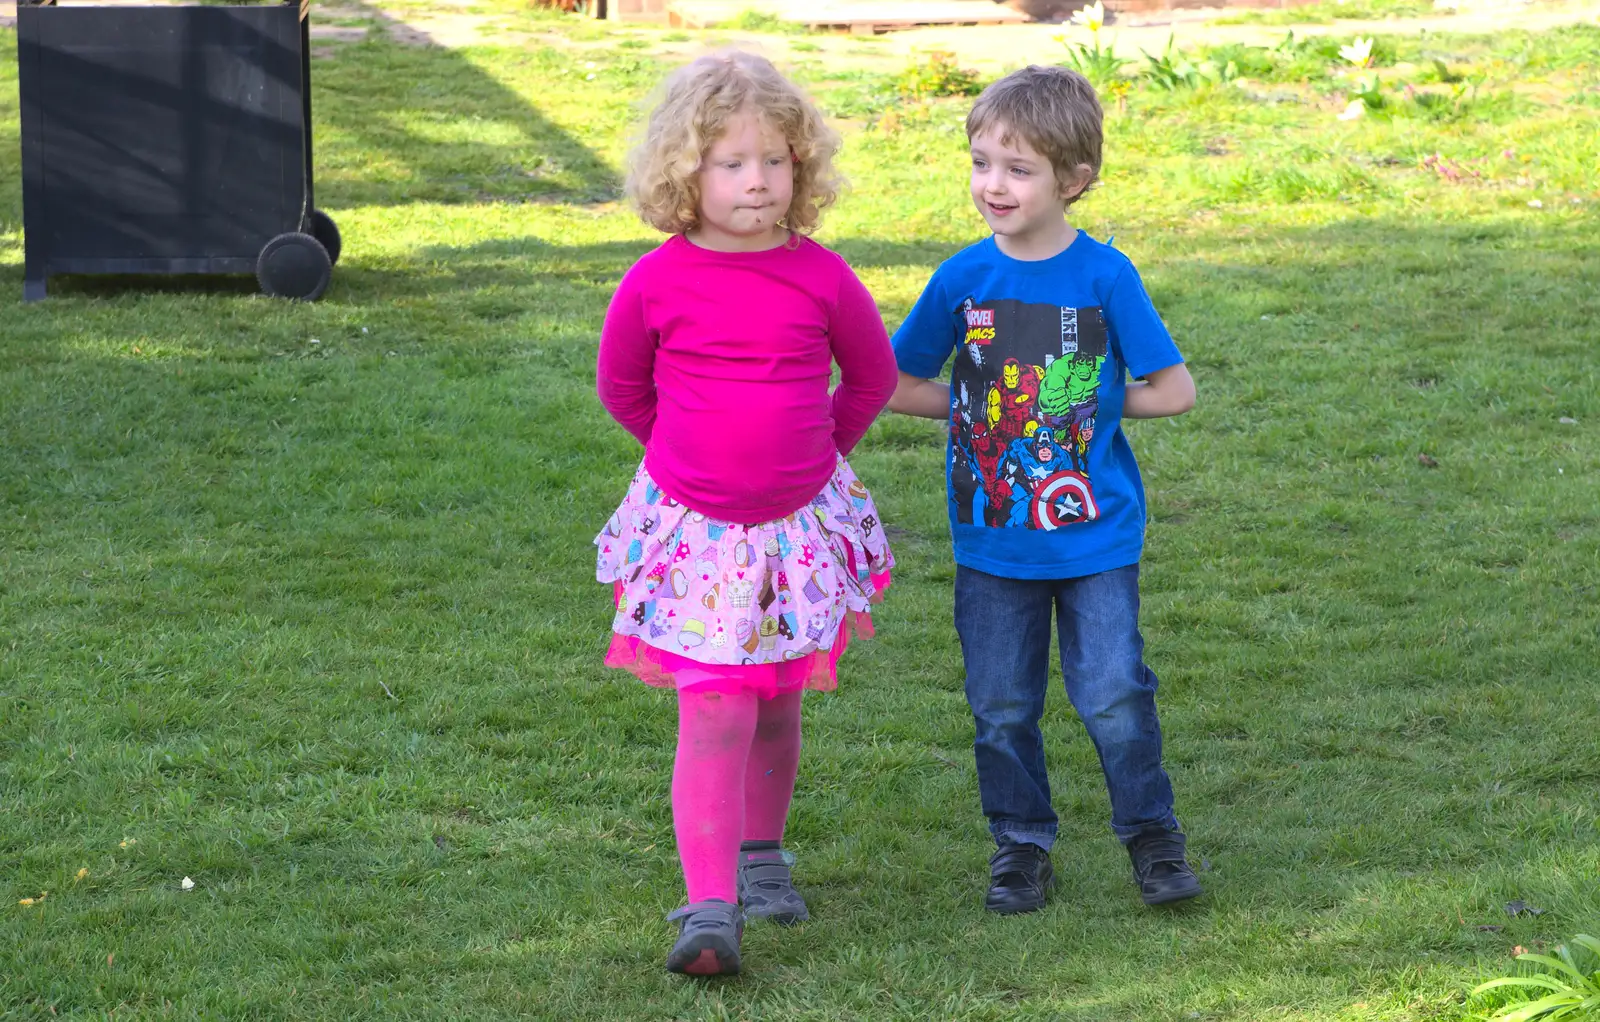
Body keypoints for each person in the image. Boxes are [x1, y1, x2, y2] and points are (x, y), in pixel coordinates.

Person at [594, 51, 898, 975]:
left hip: (799, 526)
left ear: (802, 168)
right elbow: (624, 389)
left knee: (776, 702)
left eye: (775, 161)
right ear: (687, 174)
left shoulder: (822, 276)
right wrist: (689, 460)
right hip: (697, 533)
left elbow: (872, 376)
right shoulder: (657, 279)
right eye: (731, 163)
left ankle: (764, 860)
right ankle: (710, 907)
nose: (756, 181)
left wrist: (815, 453)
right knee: (716, 707)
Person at [887, 65, 1203, 915]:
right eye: (982, 162)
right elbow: (899, 383)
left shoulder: (1106, 278)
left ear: (1074, 180)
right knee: (999, 704)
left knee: (1112, 693)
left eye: (1017, 169)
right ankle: (1020, 845)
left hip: (1094, 537)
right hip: (993, 535)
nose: (994, 184)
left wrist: (1097, 407)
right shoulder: (960, 280)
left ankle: (1153, 839)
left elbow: (1173, 391)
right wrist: (979, 417)